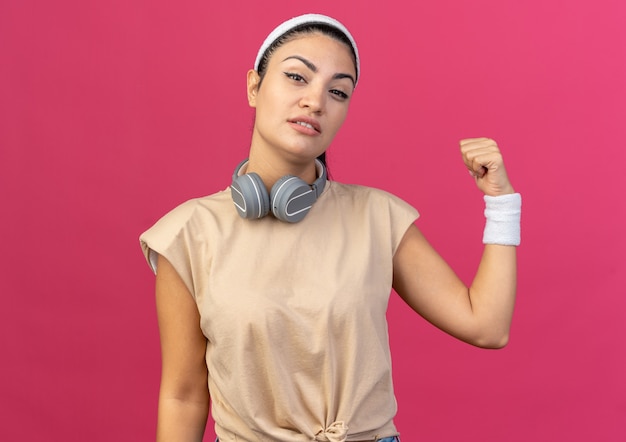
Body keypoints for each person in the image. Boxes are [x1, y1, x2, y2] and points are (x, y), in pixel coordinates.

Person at [139, 13, 521, 442]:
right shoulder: (187, 234)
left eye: (337, 91)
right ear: (253, 86)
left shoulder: (379, 218)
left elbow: (487, 326)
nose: (315, 101)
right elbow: (184, 395)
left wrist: (501, 202)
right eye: (297, 77)